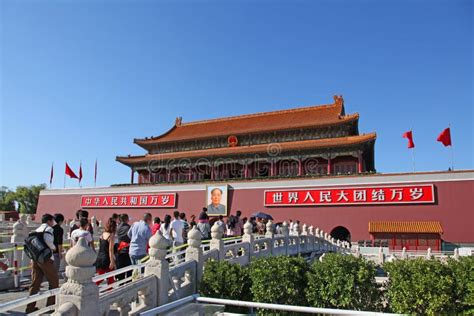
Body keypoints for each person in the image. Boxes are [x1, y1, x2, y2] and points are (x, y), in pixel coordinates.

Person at [26, 214, 59, 313]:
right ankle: (50, 306)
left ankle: (30, 308)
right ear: (49, 221)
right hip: (46, 259)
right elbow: (49, 243)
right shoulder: (48, 229)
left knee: (35, 283)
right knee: (54, 281)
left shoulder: (36, 230)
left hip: (36, 259)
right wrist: (54, 248)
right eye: (52, 220)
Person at [95, 218, 117, 285]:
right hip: (107, 258)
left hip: (99, 257)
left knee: (100, 277)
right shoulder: (111, 236)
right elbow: (110, 250)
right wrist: (112, 261)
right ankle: (110, 292)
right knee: (110, 278)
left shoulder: (102, 235)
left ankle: (92, 288)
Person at [116, 214, 132, 280]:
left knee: (121, 269)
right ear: (126, 219)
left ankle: (120, 283)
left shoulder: (117, 227)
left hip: (120, 249)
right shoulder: (128, 227)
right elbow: (131, 237)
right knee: (129, 270)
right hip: (127, 249)